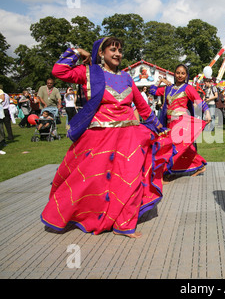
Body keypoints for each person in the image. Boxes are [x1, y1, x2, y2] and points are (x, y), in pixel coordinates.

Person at [41, 37, 172, 238]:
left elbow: (142, 106)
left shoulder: (128, 78)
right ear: (101, 53)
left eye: (120, 50)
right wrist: (78, 52)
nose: (118, 54)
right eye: (112, 50)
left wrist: (158, 126)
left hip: (129, 136)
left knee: (131, 179)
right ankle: (86, 216)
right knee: (92, 181)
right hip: (99, 137)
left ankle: (125, 224)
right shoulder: (90, 73)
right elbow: (59, 71)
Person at [150, 64, 211, 178]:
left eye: (183, 73)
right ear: (174, 74)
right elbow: (152, 91)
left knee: (175, 146)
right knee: (185, 147)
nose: (180, 75)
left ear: (186, 75)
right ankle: (200, 165)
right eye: (178, 73)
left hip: (181, 122)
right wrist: (160, 81)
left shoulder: (188, 88)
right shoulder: (168, 88)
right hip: (169, 123)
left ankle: (166, 172)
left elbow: (198, 100)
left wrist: (207, 111)